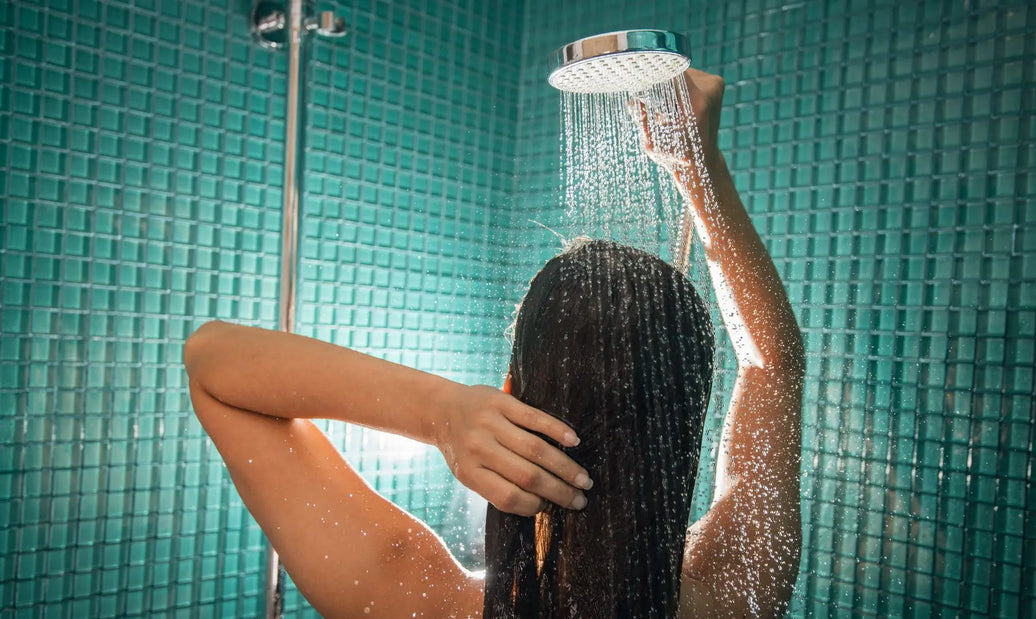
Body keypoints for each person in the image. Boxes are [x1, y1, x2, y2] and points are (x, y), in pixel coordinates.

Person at [184, 69, 804, 618]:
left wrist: (442, 414)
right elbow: (773, 365)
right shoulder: (739, 591)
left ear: (512, 395)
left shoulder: (414, 598)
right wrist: (698, 167)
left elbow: (212, 361)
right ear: (687, 429)